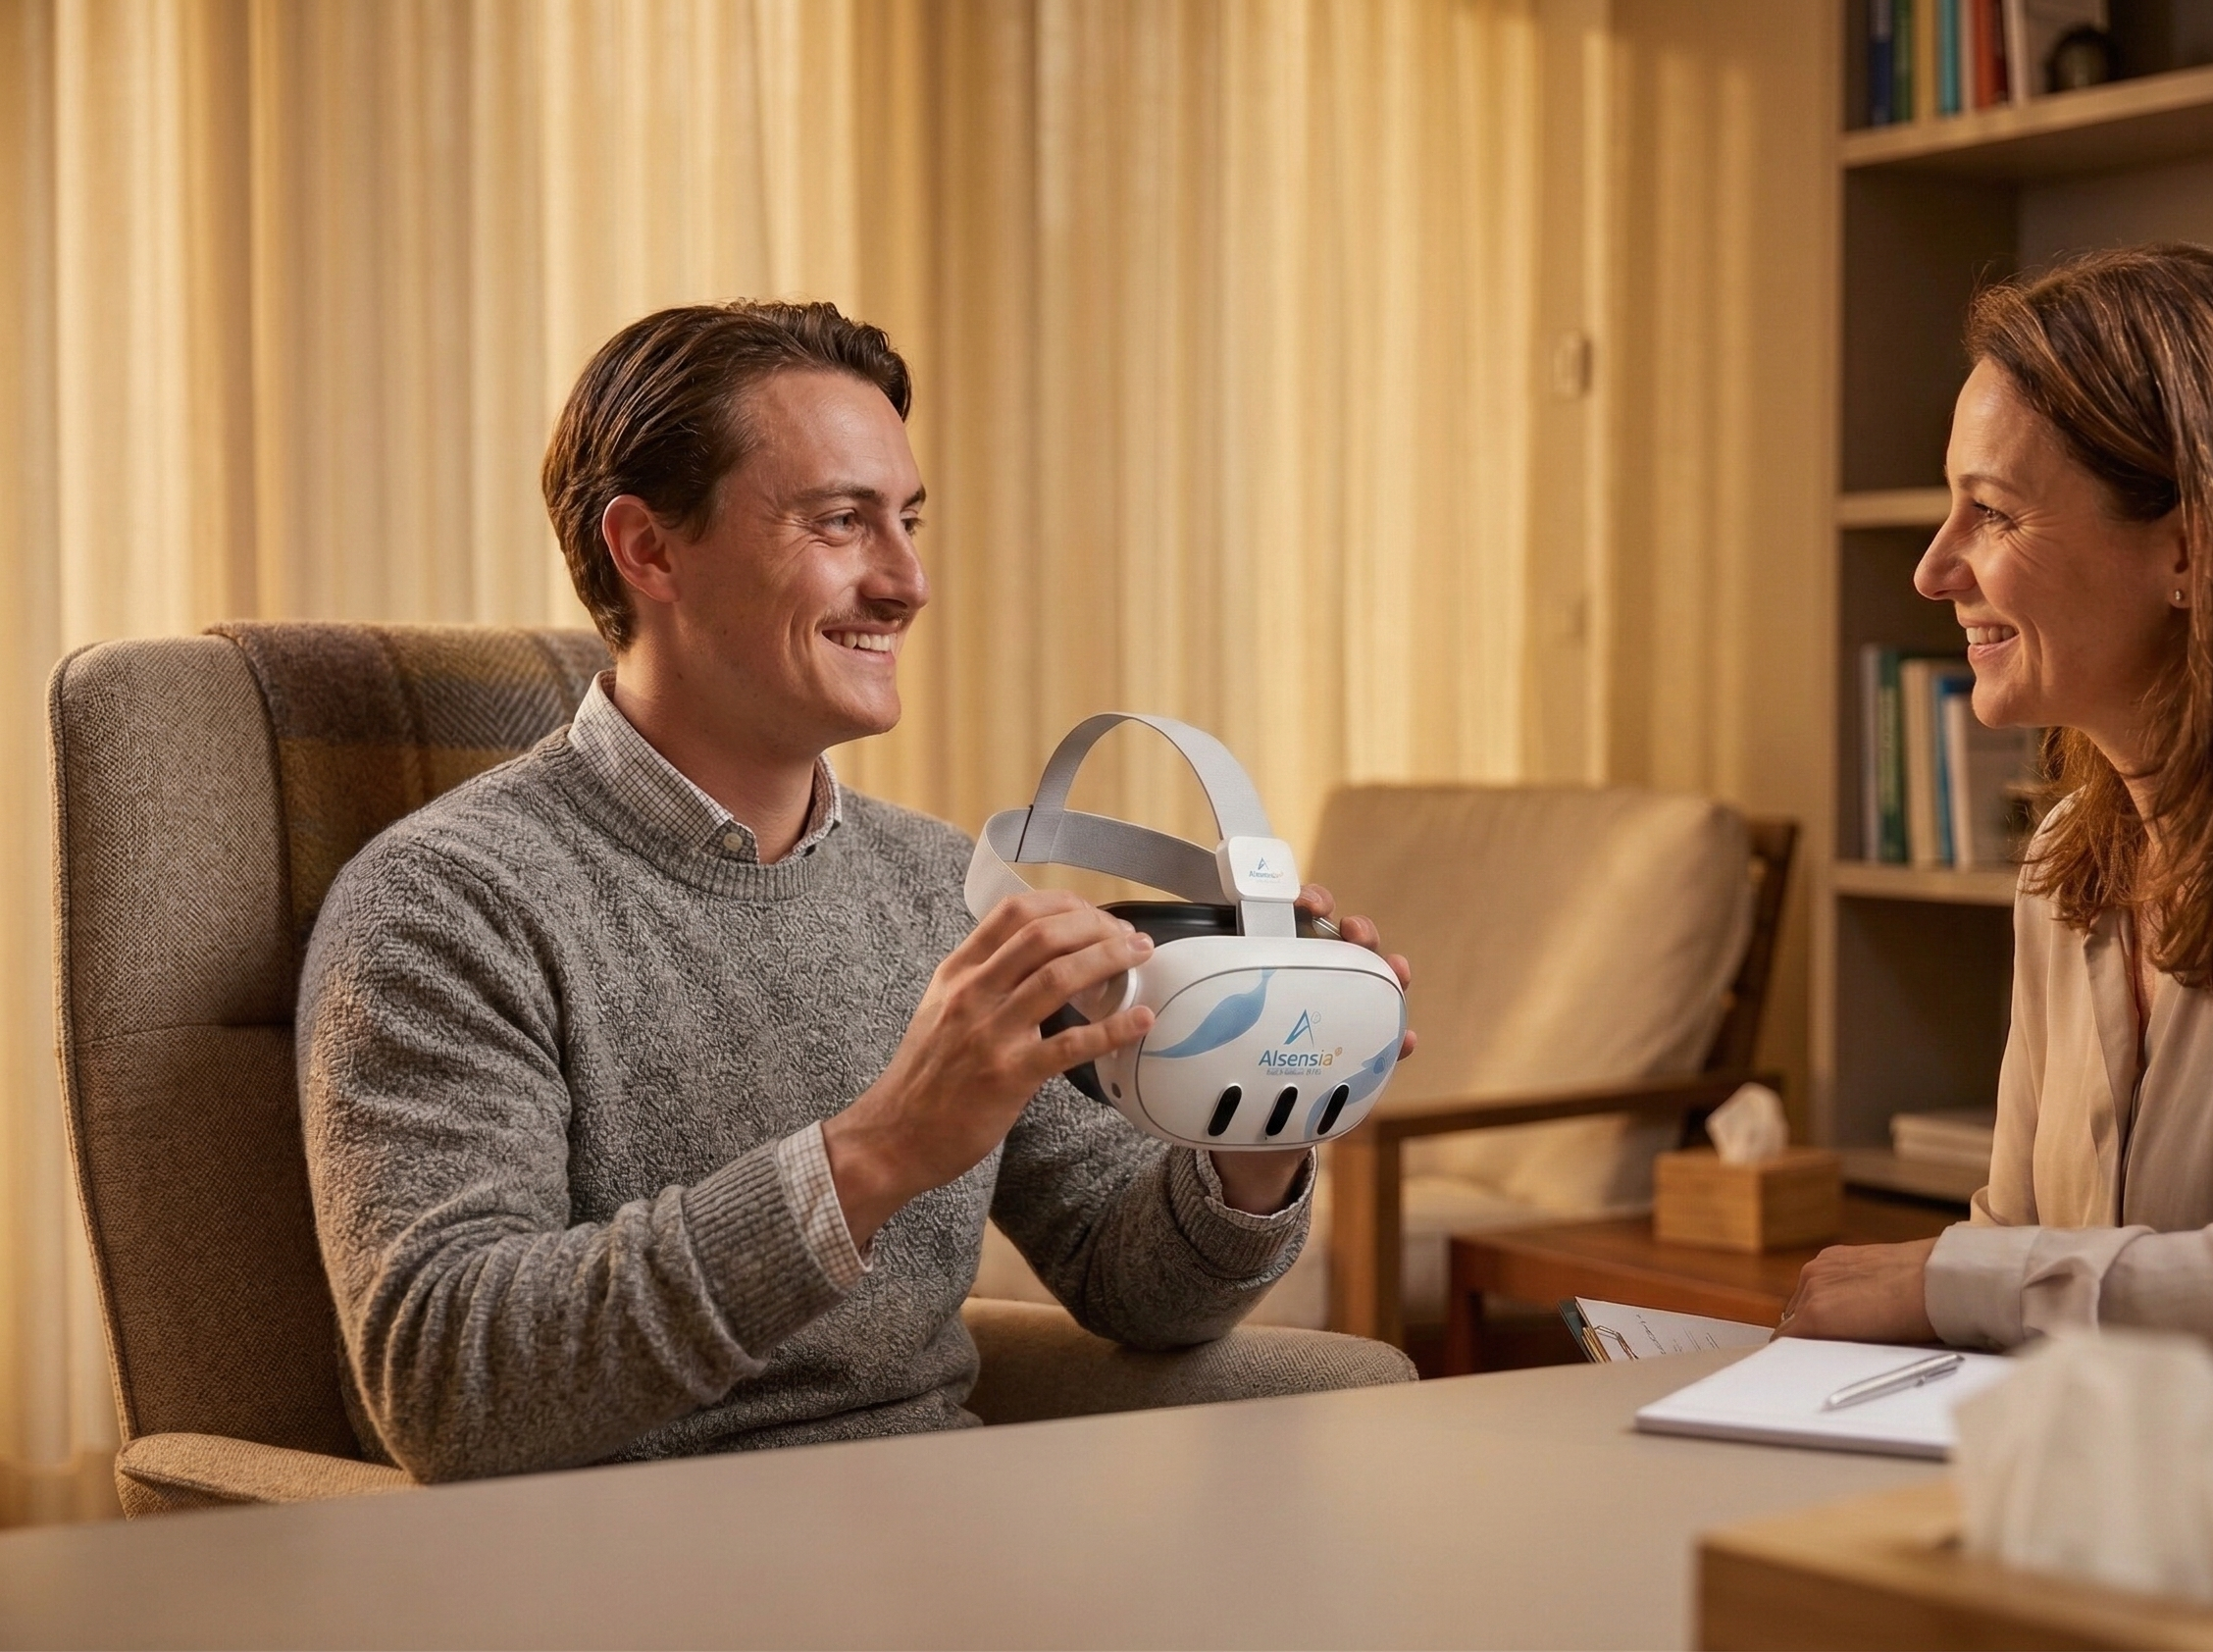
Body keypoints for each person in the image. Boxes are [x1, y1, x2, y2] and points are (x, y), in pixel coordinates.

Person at [297, 301, 1415, 1482]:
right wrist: (874, 1153)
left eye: (908, 521)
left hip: (932, 1532)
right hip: (611, 1564)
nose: (908, 582)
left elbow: (1132, 1281)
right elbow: (449, 1385)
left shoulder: (937, 883)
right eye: (840, 521)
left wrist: (1263, 1117)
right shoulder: (445, 905)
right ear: (649, 548)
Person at [1776, 244, 2213, 1396]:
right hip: (2097, 1522)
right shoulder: (2066, 864)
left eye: (1989, 513)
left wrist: (1963, 1281)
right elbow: (2009, 1240)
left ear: (2189, 550)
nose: (1932, 569)